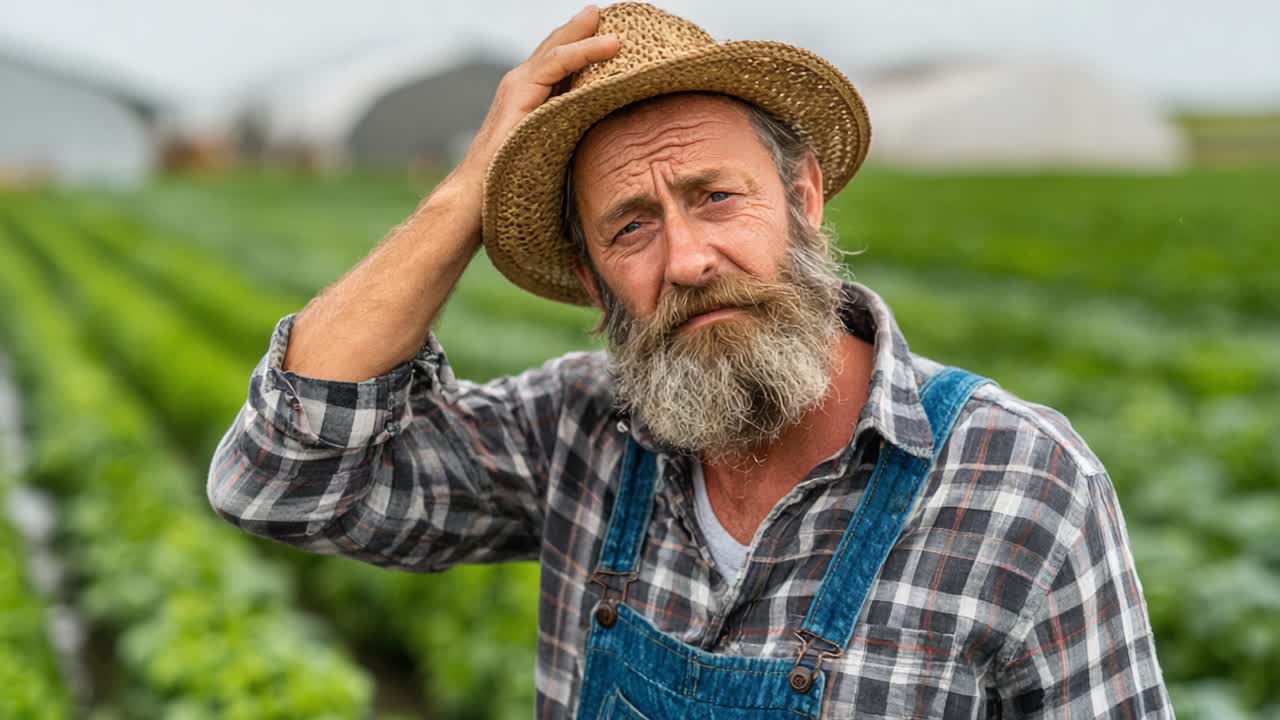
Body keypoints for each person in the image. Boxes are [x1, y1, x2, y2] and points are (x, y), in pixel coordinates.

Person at [207, 4, 1172, 718]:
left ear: (804, 197)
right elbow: (281, 481)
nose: (689, 260)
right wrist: (469, 190)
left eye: (716, 197)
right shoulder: (576, 435)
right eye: (631, 227)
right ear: (590, 281)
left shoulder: (1024, 487)